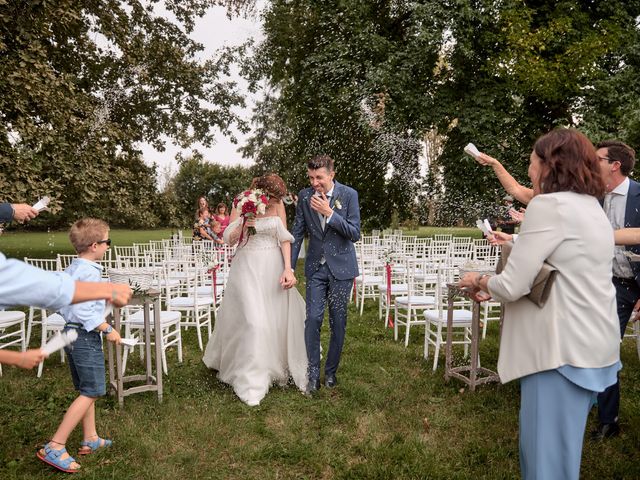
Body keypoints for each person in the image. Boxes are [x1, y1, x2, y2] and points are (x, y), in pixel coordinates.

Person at [459, 129, 620, 479]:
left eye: (532, 162)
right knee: (562, 458)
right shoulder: (590, 205)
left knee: (544, 465)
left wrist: (480, 281)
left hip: (558, 355)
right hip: (591, 346)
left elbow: (514, 283)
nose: (530, 170)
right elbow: (563, 269)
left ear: (550, 165)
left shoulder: (548, 206)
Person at [202, 174, 308, 406]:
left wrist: (288, 269)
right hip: (247, 266)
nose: (273, 202)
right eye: (270, 197)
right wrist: (243, 222)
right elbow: (229, 239)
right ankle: (250, 377)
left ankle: (272, 363)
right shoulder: (240, 202)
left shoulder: (278, 203)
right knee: (252, 320)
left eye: (276, 199)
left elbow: (283, 238)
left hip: (272, 267)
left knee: (272, 319)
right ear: (260, 190)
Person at [38, 218, 123, 474]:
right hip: (85, 337)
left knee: (87, 389)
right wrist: (107, 329)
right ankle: (56, 444)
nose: (108, 246)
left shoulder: (73, 269)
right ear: (95, 245)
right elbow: (86, 311)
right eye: (108, 242)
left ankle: (91, 438)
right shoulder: (90, 272)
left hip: (71, 334)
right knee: (93, 391)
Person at [290, 155, 360, 395]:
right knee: (313, 319)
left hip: (342, 269)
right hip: (315, 269)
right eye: (310, 177)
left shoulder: (349, 195)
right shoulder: (305, 196)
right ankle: (312, 375)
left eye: (319, 177)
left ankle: (330, 373)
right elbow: (298, 233)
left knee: (337, 322)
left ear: (331, 174)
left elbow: (354, 233)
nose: (314, 183)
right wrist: (289, 267)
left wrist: (330, 214)